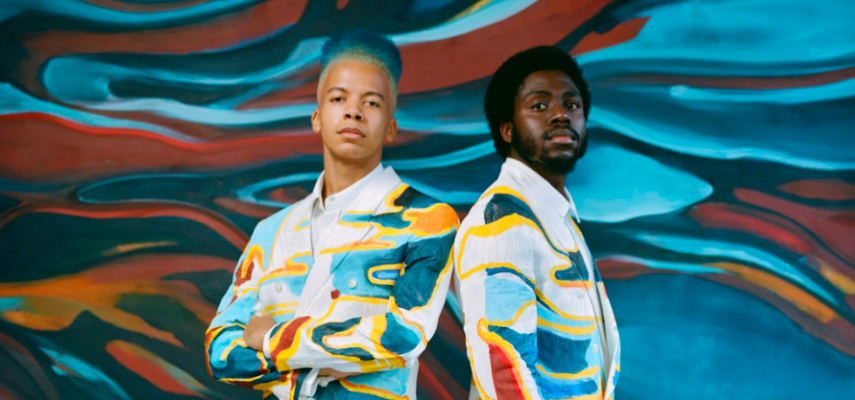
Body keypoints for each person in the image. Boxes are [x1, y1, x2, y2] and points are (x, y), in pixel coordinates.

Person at [205, 29, 458, 400]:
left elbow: (402, 335)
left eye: (371, 103)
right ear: (317, 117)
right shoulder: (270, 232)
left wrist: (271, 338)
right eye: (338, 98)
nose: (353, 111)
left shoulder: (427, 220)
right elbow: (220, 349)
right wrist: (315, 366)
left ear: (391, 127)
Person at [454, 46, 620, 400]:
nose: (561, 115)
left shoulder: (557, 217)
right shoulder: (500, 222)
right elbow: (504, 372)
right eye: (539, 105)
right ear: (507, 129)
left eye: (572, 104)